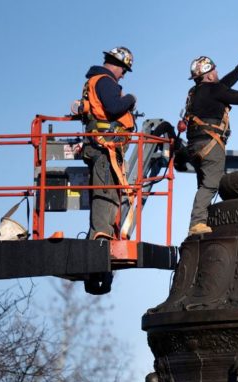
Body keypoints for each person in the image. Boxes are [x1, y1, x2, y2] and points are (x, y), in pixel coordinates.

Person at [182, 53, 238, 236]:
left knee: (204, 184)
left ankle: (204, 221)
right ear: (209, 74)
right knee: (211, 185)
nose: (217, 72)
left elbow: (223, 86)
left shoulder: (196, 92)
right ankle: (197, 222)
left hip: (195, 145)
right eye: (214, 70)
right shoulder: (214, 91)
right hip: (211, 145)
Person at [78, 46, 137, 241]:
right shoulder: (105, 81)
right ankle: (101, 236)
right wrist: (130, 99)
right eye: (124, 70)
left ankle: (103, 234)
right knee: (105, 190)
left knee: (109, 189)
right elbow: (113, 108)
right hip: (106, 145)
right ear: (118, 65)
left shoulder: (95, 81)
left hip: (102, 144)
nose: (123, 76)